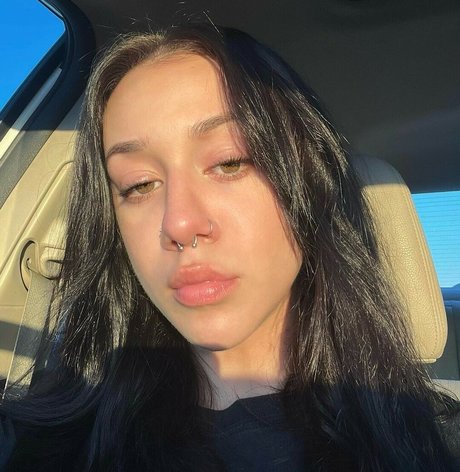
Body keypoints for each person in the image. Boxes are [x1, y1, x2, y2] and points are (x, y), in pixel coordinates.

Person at [0, 23, 458, 471]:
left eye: (230, 161)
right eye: (138, 185)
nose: (179, 223)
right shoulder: (38, 443)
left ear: (309, 182)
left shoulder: (440, 444)